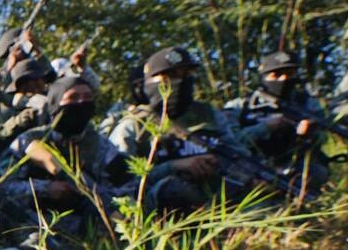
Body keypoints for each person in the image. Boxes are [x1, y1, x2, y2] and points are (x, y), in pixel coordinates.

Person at [0, 76, 134, 250]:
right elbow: (1, 187)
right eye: (73, 97)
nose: (81, 103)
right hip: (34, 222)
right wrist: (46, 189)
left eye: (87, 97)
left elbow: (125, 189)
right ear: (56, 104)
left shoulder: (101, 146)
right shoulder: (30, 141)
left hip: (86, 228)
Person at [108, 46, 252, 213]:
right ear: (150, 83)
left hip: (219, 199)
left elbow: (238, 154)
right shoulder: (133, 126)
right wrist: (174, 166)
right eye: (171, 76)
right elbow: (119, 183)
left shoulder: (209, 114)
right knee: (171, 189)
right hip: (159, 211)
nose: (180, 81)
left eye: (186, 75)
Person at [223, 50, 330, 196]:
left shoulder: (307, 104)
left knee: (317, 172)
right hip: (253, 170)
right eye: (276, 74)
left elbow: (323, 137)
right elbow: (231, 143)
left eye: (289, 73)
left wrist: (308, 134)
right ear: (264, 77)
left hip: (296, 170)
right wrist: (265, 127)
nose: (283, 79)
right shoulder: (239, 107)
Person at [0, 57, 51, 161]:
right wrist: (16, 123)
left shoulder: (52, 104)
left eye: (40, 79)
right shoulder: (10, 114)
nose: (40, 83)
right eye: (35, 80)